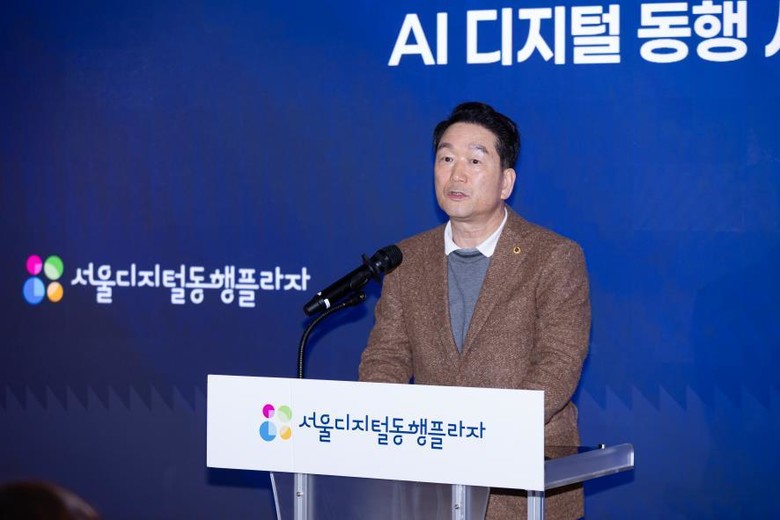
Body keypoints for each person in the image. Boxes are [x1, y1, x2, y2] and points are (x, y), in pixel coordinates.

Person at [358, 102, 591, 520]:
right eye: (446, 159)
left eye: (475, 160)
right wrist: (381, 423)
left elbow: (559, 363)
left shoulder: (553, 257)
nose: (457, 174)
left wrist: (486, 433)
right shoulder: (405, 260)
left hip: (523, 485)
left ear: (506, 182)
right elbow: (385, 358)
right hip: (431, 485)